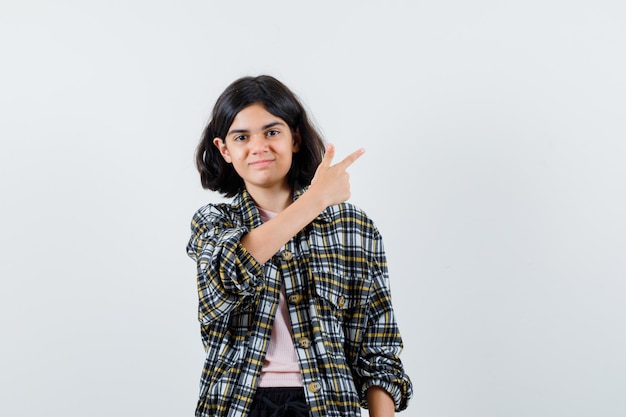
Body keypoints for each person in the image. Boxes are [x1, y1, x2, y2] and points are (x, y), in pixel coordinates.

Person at [187, 75, 413, 417]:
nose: (259, 146)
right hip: (238, 405)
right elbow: (225, 276)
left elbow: (377, 348)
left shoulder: (352, 228)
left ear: (295, 139)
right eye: (242, 137)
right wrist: (317, 199)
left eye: (272, 132)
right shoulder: (213, 223)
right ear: (224, 150)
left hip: (328, 405)